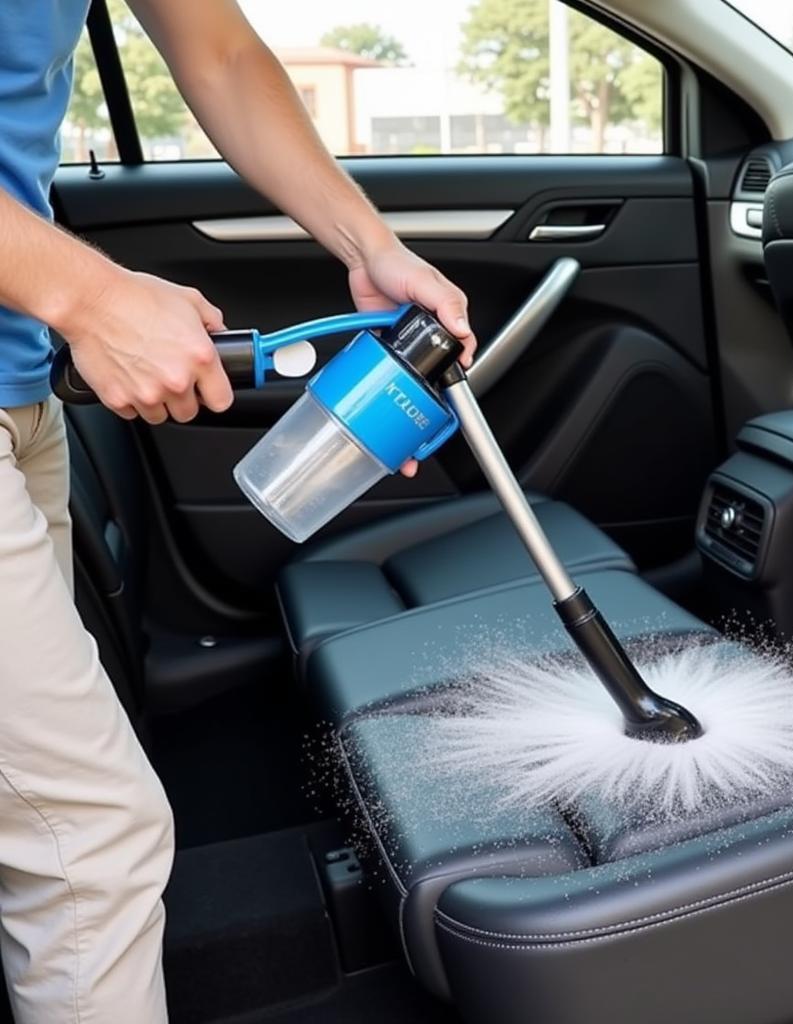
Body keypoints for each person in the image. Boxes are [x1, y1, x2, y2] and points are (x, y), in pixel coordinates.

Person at [0, 2, 476, 1020]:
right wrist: (87, 296)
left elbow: (217, 50)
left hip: (16, 384)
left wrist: (370, 244)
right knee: (90, 836)